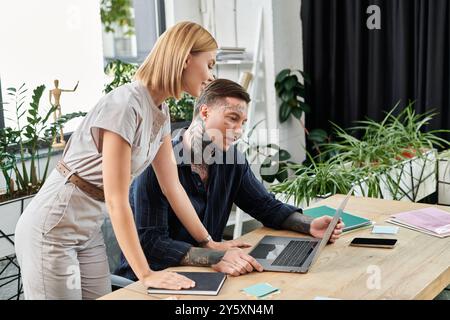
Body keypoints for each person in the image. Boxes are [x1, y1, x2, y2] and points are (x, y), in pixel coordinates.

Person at [14, 21, 237, 300]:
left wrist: (209, 242)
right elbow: (116, 200)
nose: (211, 76)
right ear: (185, 59)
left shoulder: (160, 110)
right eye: (210, 64)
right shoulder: (125, 105)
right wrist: (146, 274)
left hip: (88, 230)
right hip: (53, 229)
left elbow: (172, 187)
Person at [116, 79, 345, 279]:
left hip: (211, 274)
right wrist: (216, 257)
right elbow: (153, 245)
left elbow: (264, 206)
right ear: (205, 113)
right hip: (152, 280)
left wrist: (309, 225)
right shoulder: (156, 165)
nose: (238, 131)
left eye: (243, 123)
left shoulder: (231, 161)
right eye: (232, 118)